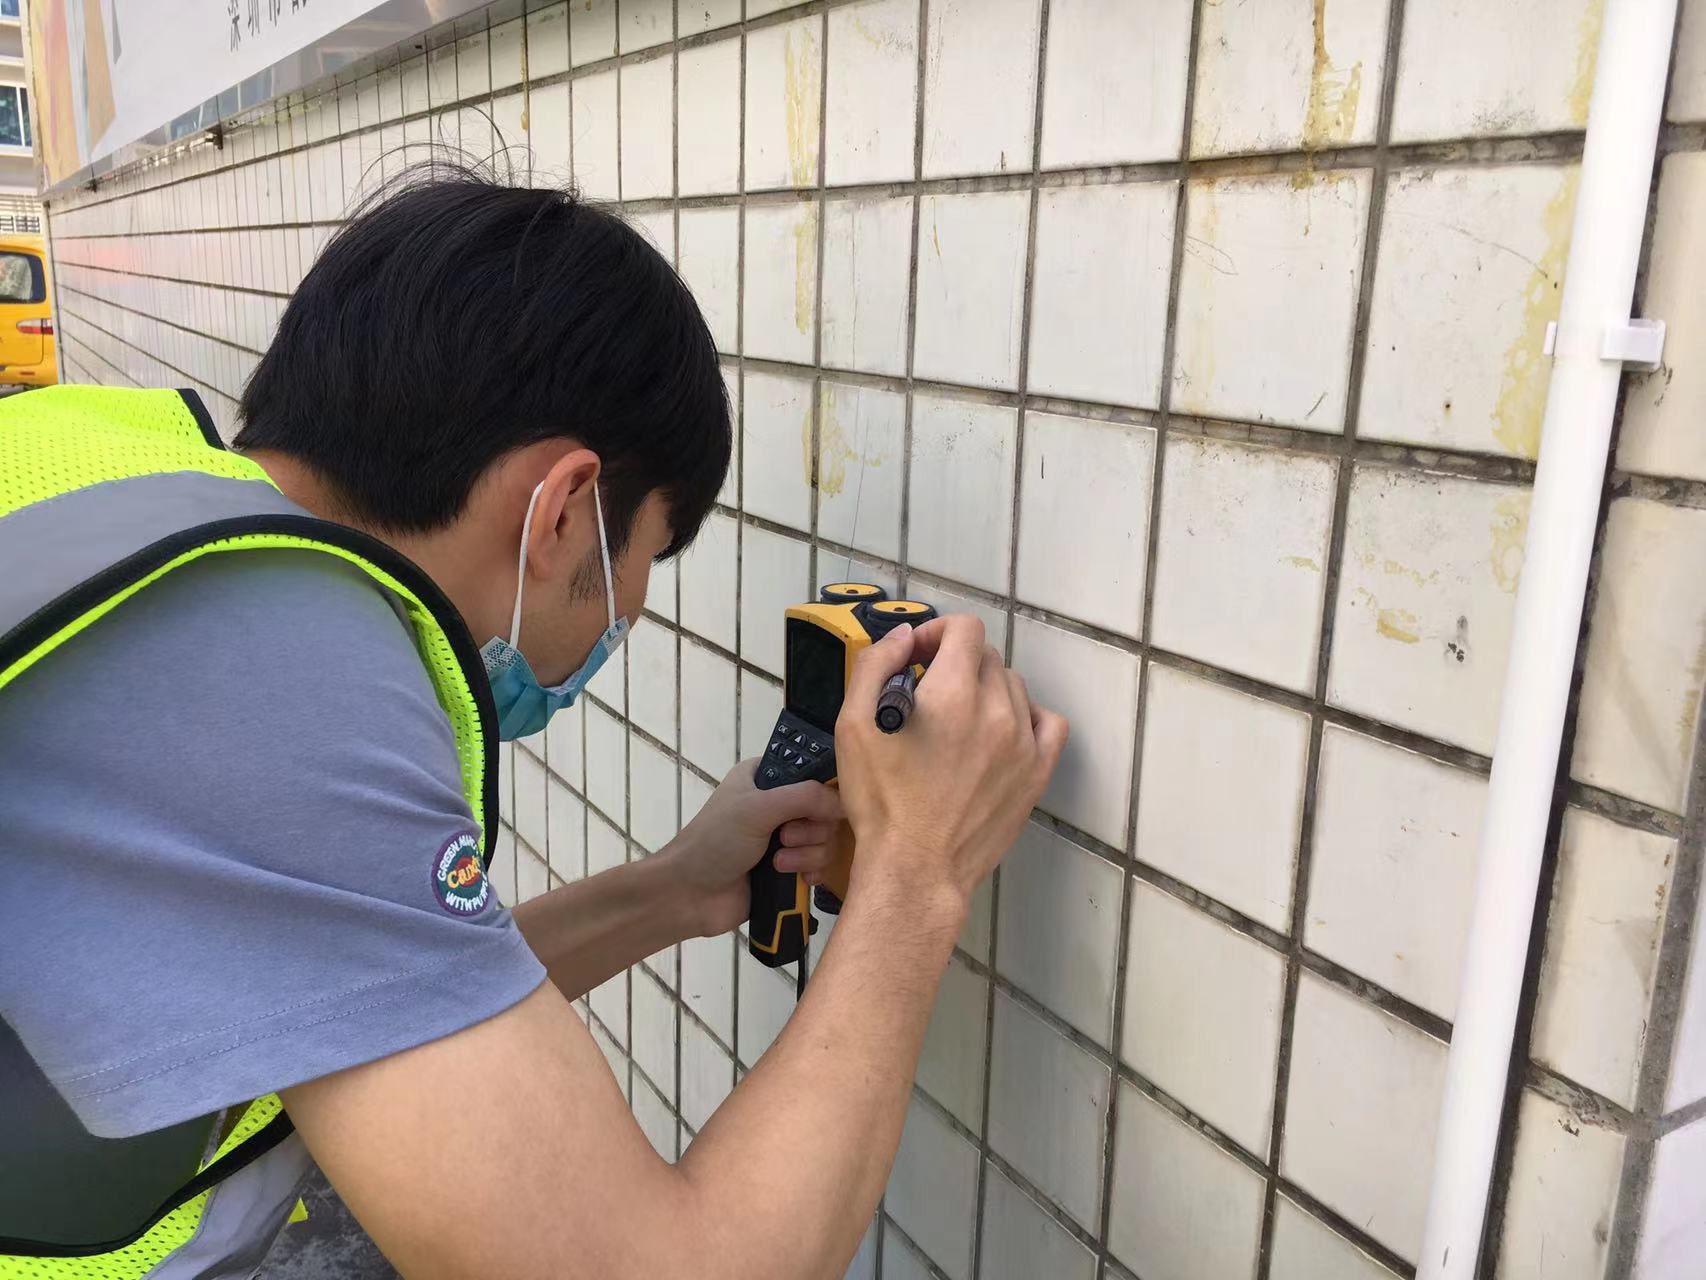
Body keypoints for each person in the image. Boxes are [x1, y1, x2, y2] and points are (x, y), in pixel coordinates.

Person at [0, 166, 1067, 1279]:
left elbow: (380, 1007)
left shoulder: (101, 470)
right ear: (561, 510)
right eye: (642, 563)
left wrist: (673, 888)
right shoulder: (265, 666)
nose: (621, 622)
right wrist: (916, 873)